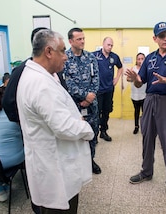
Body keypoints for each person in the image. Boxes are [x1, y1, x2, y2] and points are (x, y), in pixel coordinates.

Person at [16, 29, 94, 214]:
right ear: (49, 52)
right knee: (59, 209)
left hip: (53, 159)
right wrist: (86, 128)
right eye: (62, 51)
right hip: (54, 166)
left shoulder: (43, 75)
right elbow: (63, 127)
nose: (66, 57)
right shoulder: (40, 84)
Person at [125, 21, 166, 200]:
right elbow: (140, 81)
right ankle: (146, 172)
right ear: (155, 38)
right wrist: (134, 78)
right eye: (162, 36)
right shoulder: (150, 58)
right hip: (150, 101)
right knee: (147, 138)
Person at [2, 27, 67, 123]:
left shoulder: (56, 69)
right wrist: (29, 120)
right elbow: (8, 103)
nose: (65, 56)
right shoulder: (21, 71)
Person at [64, 28, 101, 174]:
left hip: (91, 105)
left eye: (83, 38)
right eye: (79, 39)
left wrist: (90, 97)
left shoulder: (90, 57)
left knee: (92, 133)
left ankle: (90, 160)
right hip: (74, 106)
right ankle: (77, 164)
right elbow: (67, 82)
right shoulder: (64, 58)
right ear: (71, 41)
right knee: (76, 136)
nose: (83, 41)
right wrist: (84, 96)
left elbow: (96, 79)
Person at [93, 37, 123, 142]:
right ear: (103, 44)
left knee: (106, 111)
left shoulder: (114, 57)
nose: (109, 47)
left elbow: (120, 67)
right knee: (97, 112)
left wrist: (117, 78)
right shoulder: (94, 55)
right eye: (108, 45)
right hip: (98, 90)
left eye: (111, 45)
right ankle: (95, 135)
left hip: (109, 89)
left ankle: (103, 132)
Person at [126, 53, 146, 134]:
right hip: (135, 94)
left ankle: (145, 127)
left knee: (145, 112)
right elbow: (128, 79)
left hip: (144, 94)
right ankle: (136, 126)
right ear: (136, 60)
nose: (140, 60)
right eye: (139, 59)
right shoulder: (133, 69)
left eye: (142, 58)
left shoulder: (146, 68)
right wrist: (134, 79)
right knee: (136, 110)